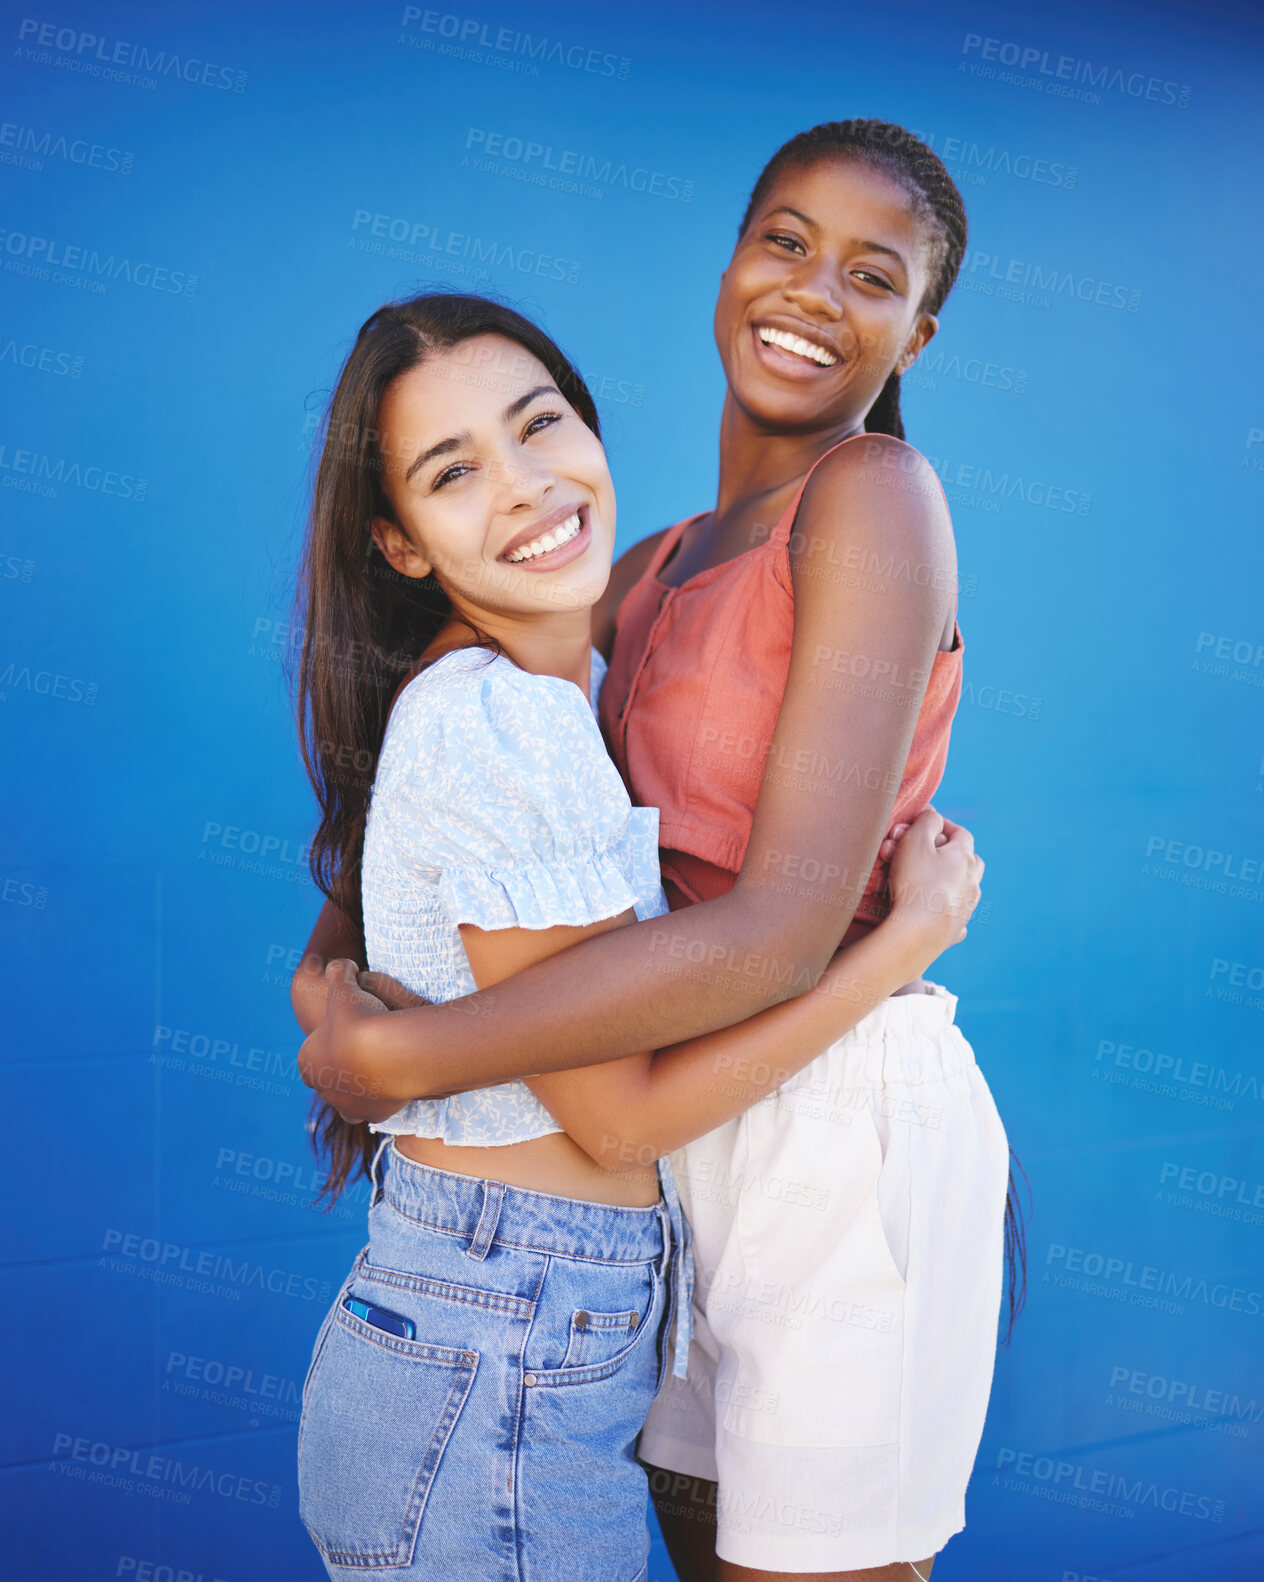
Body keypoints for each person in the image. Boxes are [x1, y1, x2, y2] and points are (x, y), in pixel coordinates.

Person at [290, 289, 984, 1582]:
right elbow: (615, 1119)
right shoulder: (516, 720)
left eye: (538, 422)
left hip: (486, 1331)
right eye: (454, 471)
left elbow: (345, 947)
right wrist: (907, 939)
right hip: (502, 1349)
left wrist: (330, 996)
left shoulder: (542, 680)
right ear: (398, 540)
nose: (527, 485)